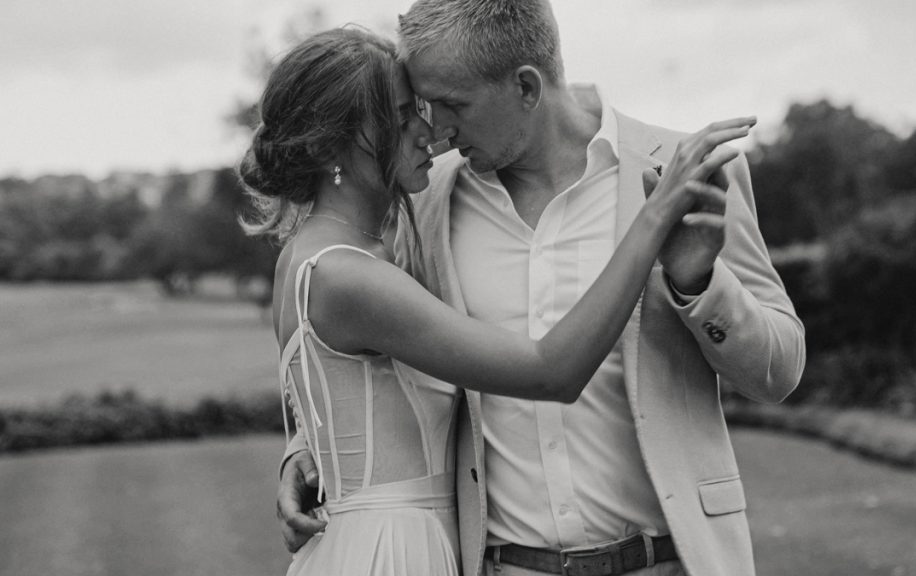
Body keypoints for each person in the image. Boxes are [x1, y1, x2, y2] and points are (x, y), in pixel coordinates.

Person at [244, 24, 754, 576]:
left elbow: (338, 392)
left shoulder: (337, 253)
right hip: (388, 552)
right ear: (328, 145)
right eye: (400, 115)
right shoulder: (349, 275)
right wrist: (653, 218)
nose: (428, 130)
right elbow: (548, 371)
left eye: (425, 108)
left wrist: (309, 452)